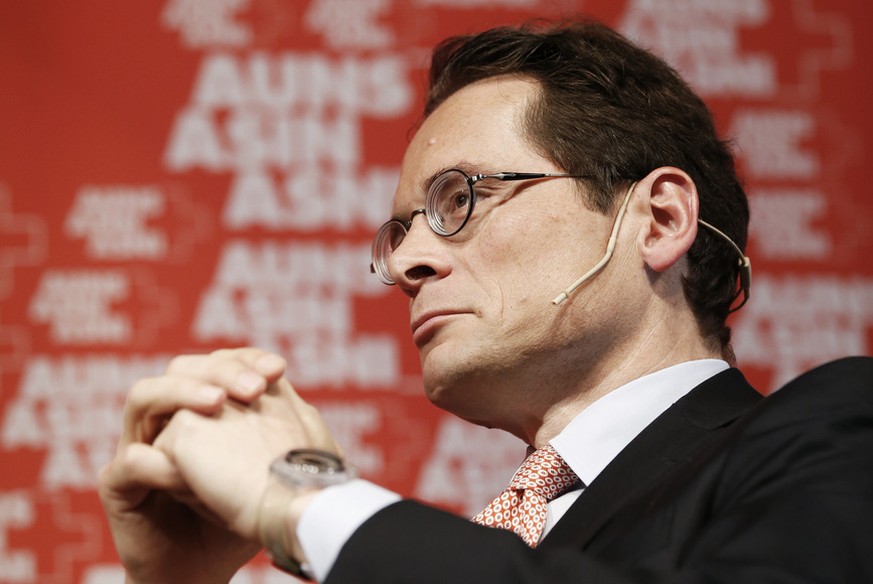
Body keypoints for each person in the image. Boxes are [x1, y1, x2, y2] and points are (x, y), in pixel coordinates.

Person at [98, 19, 873, 583]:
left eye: (459, 199)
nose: (406, 263)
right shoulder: (486, 543)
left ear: (660, 219)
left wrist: (301, 498)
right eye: (400, 231)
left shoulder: (840, 430)